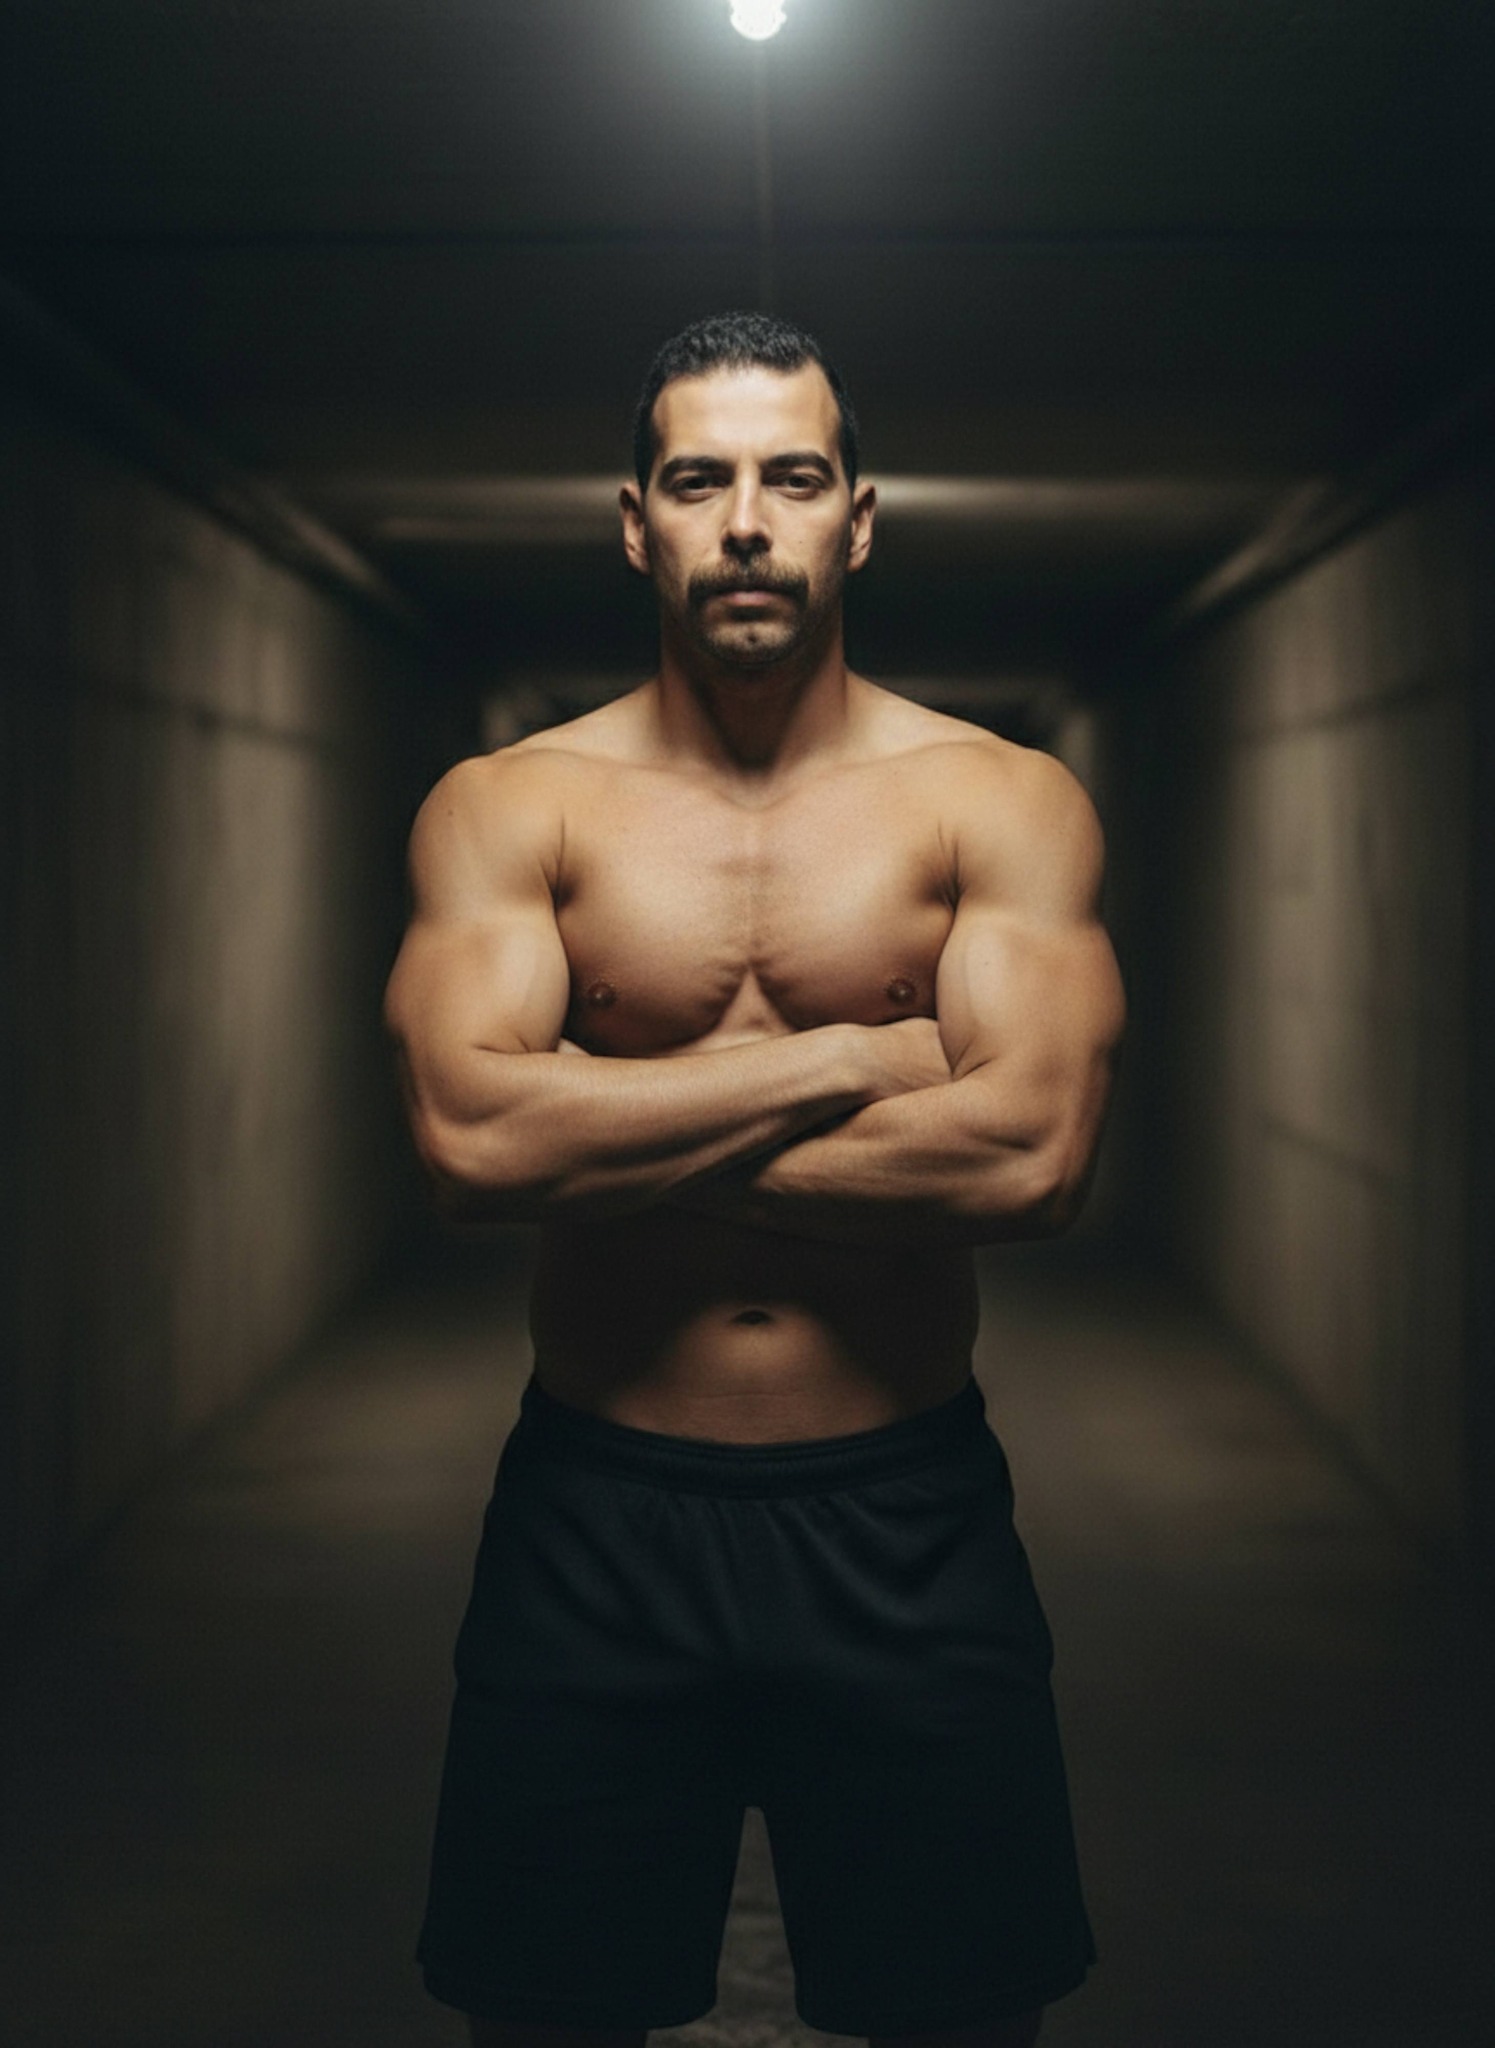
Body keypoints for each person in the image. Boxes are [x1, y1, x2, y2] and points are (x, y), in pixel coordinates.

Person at [385, 311, 1125, 2048]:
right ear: (632, 518)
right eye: (699, 480)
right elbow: (472, 1146)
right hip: (597, 1516)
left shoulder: (997, 802)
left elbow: (1030, 1158)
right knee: (544, 2011)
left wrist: (614, 1115)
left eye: (789, 478)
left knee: (958, 2011)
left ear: (856, 518)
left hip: (904, 1517)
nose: (744, 521)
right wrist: (862, 1057)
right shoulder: (511, 809)